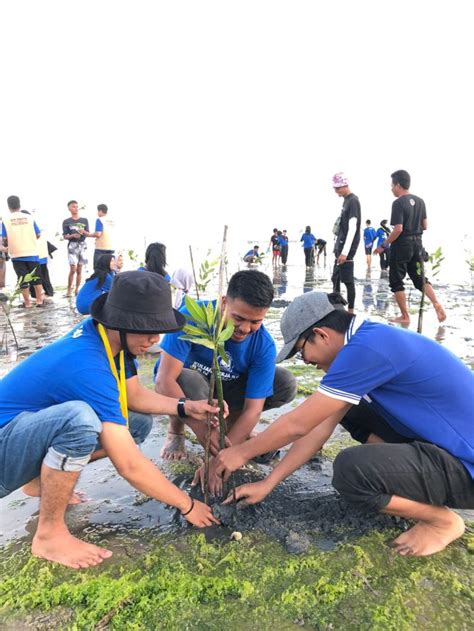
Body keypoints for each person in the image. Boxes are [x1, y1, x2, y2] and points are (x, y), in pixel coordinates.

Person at [215, 290, 474, 557]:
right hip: (445, 449)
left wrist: (240, 452)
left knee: (351, 471)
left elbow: (298, 424)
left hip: (466, 468)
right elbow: (319, 426)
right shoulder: (369, 339)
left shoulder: (369, 349)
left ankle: (442, 522)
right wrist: (269, 483)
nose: (308, 363)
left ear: (322, 334)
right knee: (347, 410)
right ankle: (400, 481)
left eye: (302, 352)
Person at [0, 271, 223, 569]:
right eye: (147, 331)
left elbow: (133, 397)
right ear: (121, 324)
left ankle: (37, 480)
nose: (155, 340)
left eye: (158, 330)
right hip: (5, 450)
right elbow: (128, 464)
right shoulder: (88, 364)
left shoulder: (107, 339)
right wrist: (188, 505)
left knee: (138, 423)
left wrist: (186, 407)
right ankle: (49, 534)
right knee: (79, 420)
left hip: (19, 435)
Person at [155, 269, 297, 490]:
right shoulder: (192, 317)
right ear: (224, 303)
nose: (244, 329)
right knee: (187, 379)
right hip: (189, 387)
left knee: (284, 382)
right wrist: (203, 431)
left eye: (255, 321)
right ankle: (176, 430)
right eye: (238, 318)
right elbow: (164, 381)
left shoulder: (263, 345)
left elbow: (253, 409)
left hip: (227, 389)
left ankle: (229, 430)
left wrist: (222, 457)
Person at [374, 170, 446, 324]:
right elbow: (425, 226)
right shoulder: (420, 201)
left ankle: (405, 316)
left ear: (398, 185)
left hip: (402, 245)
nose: (391, 188)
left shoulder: (398, 203)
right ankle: (436, 303)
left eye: (392, 185)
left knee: (396, 281)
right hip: (418, 244)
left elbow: (398, 228)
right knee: (420, 278)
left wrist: (383, 245)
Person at [2, 196, 44, 308]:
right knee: (37, 278)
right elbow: (38, 234)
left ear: (9, 206)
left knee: (22, 279)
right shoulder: (29, 217)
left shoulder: (5, 220)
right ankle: (40, 301)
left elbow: (4, 238)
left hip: (16, 254)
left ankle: (28, 303)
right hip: (32, 252)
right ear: (20, 204)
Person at [331, 172, 361, 312]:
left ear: (345, 185)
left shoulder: (353, 201)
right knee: (335, 277)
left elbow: (353, 228)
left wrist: (345, 252)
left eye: (338, 188)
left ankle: (350, 310)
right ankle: (336, 305)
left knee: (347, 280)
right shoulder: (346, 201)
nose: (336, 191)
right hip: (340, 244)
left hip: (346, 248)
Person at [62, 200, 90, 297]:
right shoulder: (66, 221)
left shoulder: (84, 220)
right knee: (73, 269)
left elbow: (88, 233)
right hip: (72, 245)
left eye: (77, 206)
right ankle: (69, 289)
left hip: (83, 244)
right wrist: (73, 235)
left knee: (79, 269)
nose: (76, 208)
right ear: (69, 208)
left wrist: (83, 232)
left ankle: (77, 289)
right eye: (73, 206)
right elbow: (65, 236)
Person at [81, 204, 115, 268]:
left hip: (101, 248)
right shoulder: (112, 221)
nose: (97, 213)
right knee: (109, 268)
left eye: (97, 211)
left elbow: (98, 234)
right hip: (111, 248)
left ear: (100, 211)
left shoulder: (100, 219)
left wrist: (86, 233)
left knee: (98, 268)